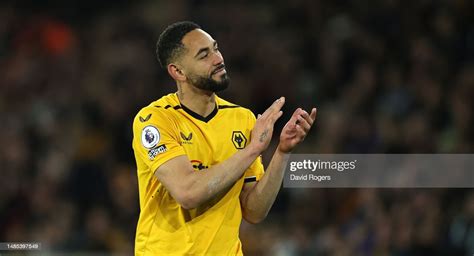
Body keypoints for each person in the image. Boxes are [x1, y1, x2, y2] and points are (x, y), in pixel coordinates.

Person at [132, 21, 317, 255]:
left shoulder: (242, 119)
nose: (218, 58)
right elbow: (187, 193)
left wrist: (282, 152)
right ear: (177, 71)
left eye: (216, 48)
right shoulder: (155, 120)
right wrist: (252, 149)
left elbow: (254, 211)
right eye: (204, 55)